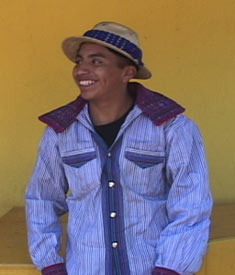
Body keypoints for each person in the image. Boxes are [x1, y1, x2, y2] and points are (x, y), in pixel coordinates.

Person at [25, 22, 213, 275]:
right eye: (80, 61)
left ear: (127, 72)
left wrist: (171, 267)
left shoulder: (172, 127)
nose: (82, 70)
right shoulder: (61, 131)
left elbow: (192, 205)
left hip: (150, 268)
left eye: (97, 61)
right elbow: (42, 199)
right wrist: (50, 263)